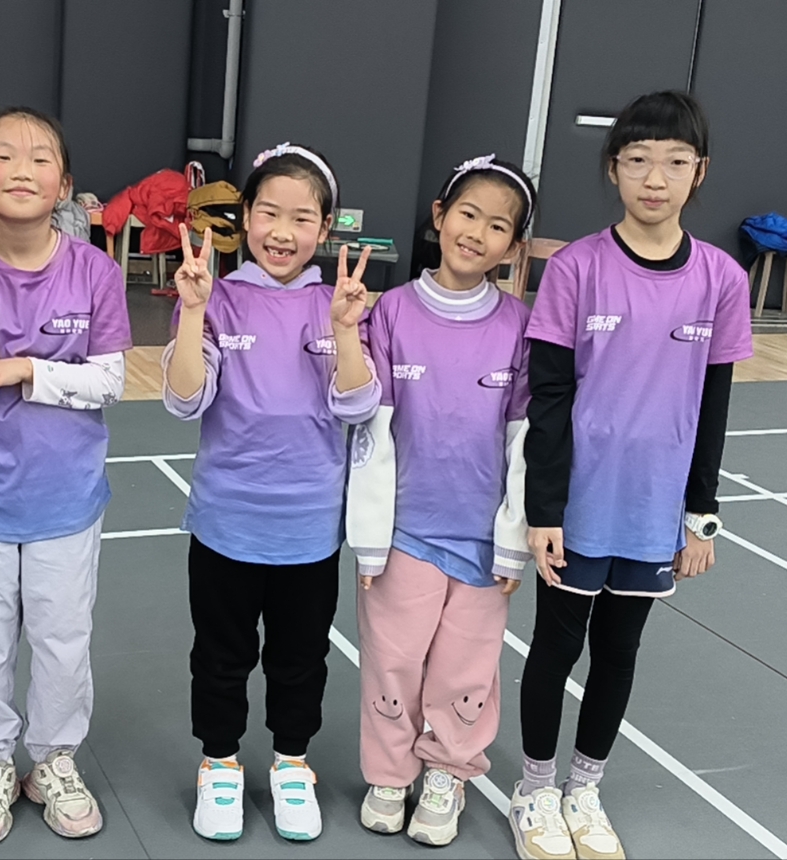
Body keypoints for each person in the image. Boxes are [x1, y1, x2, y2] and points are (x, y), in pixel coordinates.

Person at [510, 91, 752, 860]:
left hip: (653, 508)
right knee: (556, 648)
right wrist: (544, 508)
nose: (656, 178)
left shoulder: (721, 279)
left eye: (675, 162)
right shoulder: (576, 268)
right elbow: (548, 399)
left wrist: (701, 515)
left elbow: (714, 408)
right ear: (613, 168)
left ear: (699, 172)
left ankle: (584, 789)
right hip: (579, 503)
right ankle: (535, 790)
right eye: (639, 160)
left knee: (619, 651)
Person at [0, 106, 133, 846]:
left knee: (62, 637)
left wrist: (26, 370)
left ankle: (52, 760)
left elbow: (110, 379)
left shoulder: (96, 271)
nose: (22, 170)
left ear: (65, 185)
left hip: (66, 497)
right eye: (4, 156)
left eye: (41, 158)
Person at [163, 142, 377, 843]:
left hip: (309, 530)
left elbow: (358, 404)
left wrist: (345, 330)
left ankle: (292, 763)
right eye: (269, 213)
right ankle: (219, 763)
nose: (283, 232)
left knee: (300, 659)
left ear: (326, 227)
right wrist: (192, 312)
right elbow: (185, 400)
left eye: (302, 218)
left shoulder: (337, 303)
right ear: (246, 217)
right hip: (226, 523)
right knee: (220, 656)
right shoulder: (215, 296)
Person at [346, 154, 536, 846]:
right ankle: (390, 775)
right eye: (467, 214)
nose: (477, 234)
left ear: (512, 246)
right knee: (393, 662)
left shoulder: (519, 326)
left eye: (498, 226)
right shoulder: (390, 312)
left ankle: (448, 772)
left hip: (482, 542)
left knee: (465, 670)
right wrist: (370, 536)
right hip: (405, 536)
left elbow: (524, 440)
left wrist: (513, 539)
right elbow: (370, 433)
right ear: (439, 216)